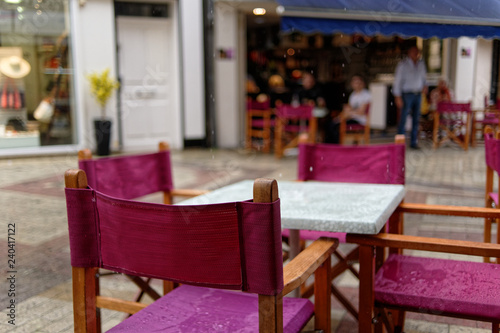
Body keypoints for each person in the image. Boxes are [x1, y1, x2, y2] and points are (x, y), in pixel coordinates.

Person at [393, 46, 427, 149]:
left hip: (418, 94)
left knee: (416, 119)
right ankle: (399, 143)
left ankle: (414, 142)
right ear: (409, 52)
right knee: (403, 119)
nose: (415, 54)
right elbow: (397, 81)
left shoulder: (421, 64)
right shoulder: (403, 65)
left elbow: (424, 78)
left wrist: (425, 86)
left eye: (417, 52)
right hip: (406, 94)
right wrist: (397, 96)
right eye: (413, 52)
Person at [325, 74, 371, 144]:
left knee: (337, 126)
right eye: (355, 83)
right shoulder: (353, 95)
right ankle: (331, 146)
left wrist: (348, 113)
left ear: (363, 83)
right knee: (331, 124)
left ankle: (338, 146)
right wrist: (341, 116)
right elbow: (349, 109)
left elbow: (361, 112)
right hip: (351, 117)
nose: (357, 85)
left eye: (358, 83)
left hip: (360, 120)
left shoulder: (366, 95)